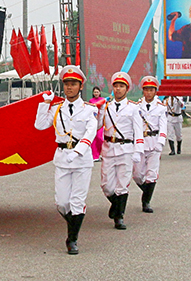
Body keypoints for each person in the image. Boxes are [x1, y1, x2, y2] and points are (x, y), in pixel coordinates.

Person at [35, 66, 97, 254]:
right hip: (62, 158)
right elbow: (39, 125)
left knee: (77, 201)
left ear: (80, 86)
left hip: (81, 159)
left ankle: (72, 239)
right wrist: (44, 104)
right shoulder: (57, 108)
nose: (69, 88)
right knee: (62, 202)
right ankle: (75, 224)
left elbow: (91, 132)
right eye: (67, 84)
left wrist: (78, 151)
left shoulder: (89, 110)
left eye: (73, 84)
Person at [97, 72, 144, 230]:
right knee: (106, 186)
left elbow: (138, 130)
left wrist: (138, 151)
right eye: (116, 86)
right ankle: (116, 207)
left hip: (126, 149)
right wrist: (99, 112)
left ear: (127, 89)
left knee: (122, 184)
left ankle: (119, 216)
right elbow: (98, 126)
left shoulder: (133, 108)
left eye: (121, 86)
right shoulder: (107, 106)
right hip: (109, 148)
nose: (118, 89)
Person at [133, 76, 167, 214]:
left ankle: (146, 202)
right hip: (140, 142)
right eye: (146, 90)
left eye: (151, 90)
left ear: (155, 91)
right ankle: (147, 191)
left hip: (154, 142)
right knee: (137, 174)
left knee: (151, 174)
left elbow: (163, 126)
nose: (148, 93)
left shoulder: (160, 108)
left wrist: (161, 142)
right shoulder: (136, 106)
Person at [89, 87, 105, 161]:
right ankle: (94, 156)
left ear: (99, 93)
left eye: (97, 92)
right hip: (93, 122)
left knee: (100, 139)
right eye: (94, 92)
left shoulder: (103, 100)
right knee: (93, 139)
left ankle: (101, 154)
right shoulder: (91, 101)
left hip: (101, 122)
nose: (96, 93)